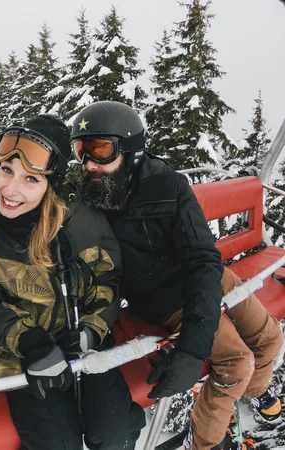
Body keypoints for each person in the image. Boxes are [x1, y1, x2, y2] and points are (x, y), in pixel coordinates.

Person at [70, 101, 284, 450]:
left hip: (206, 278)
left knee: (269, 338)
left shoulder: (166, 185)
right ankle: (201, 444)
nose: (89, 163)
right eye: (80, 150)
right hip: (162, 299)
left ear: (131, 150)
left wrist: (191, 349)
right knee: (236, 363)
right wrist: (189, 349)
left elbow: (202, 256)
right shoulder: (91, 201)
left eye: (100, 150)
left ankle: (256, 392)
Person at [0, 114, 145, 450]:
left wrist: (91, 330)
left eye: (31, 179)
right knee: (58, 444)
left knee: (116, 432)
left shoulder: (78, 220)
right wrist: (29, 342)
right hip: (19, 355)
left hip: (79, 342)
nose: (10, 190)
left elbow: (105, 278)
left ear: (51, 185)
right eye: (6, 171)